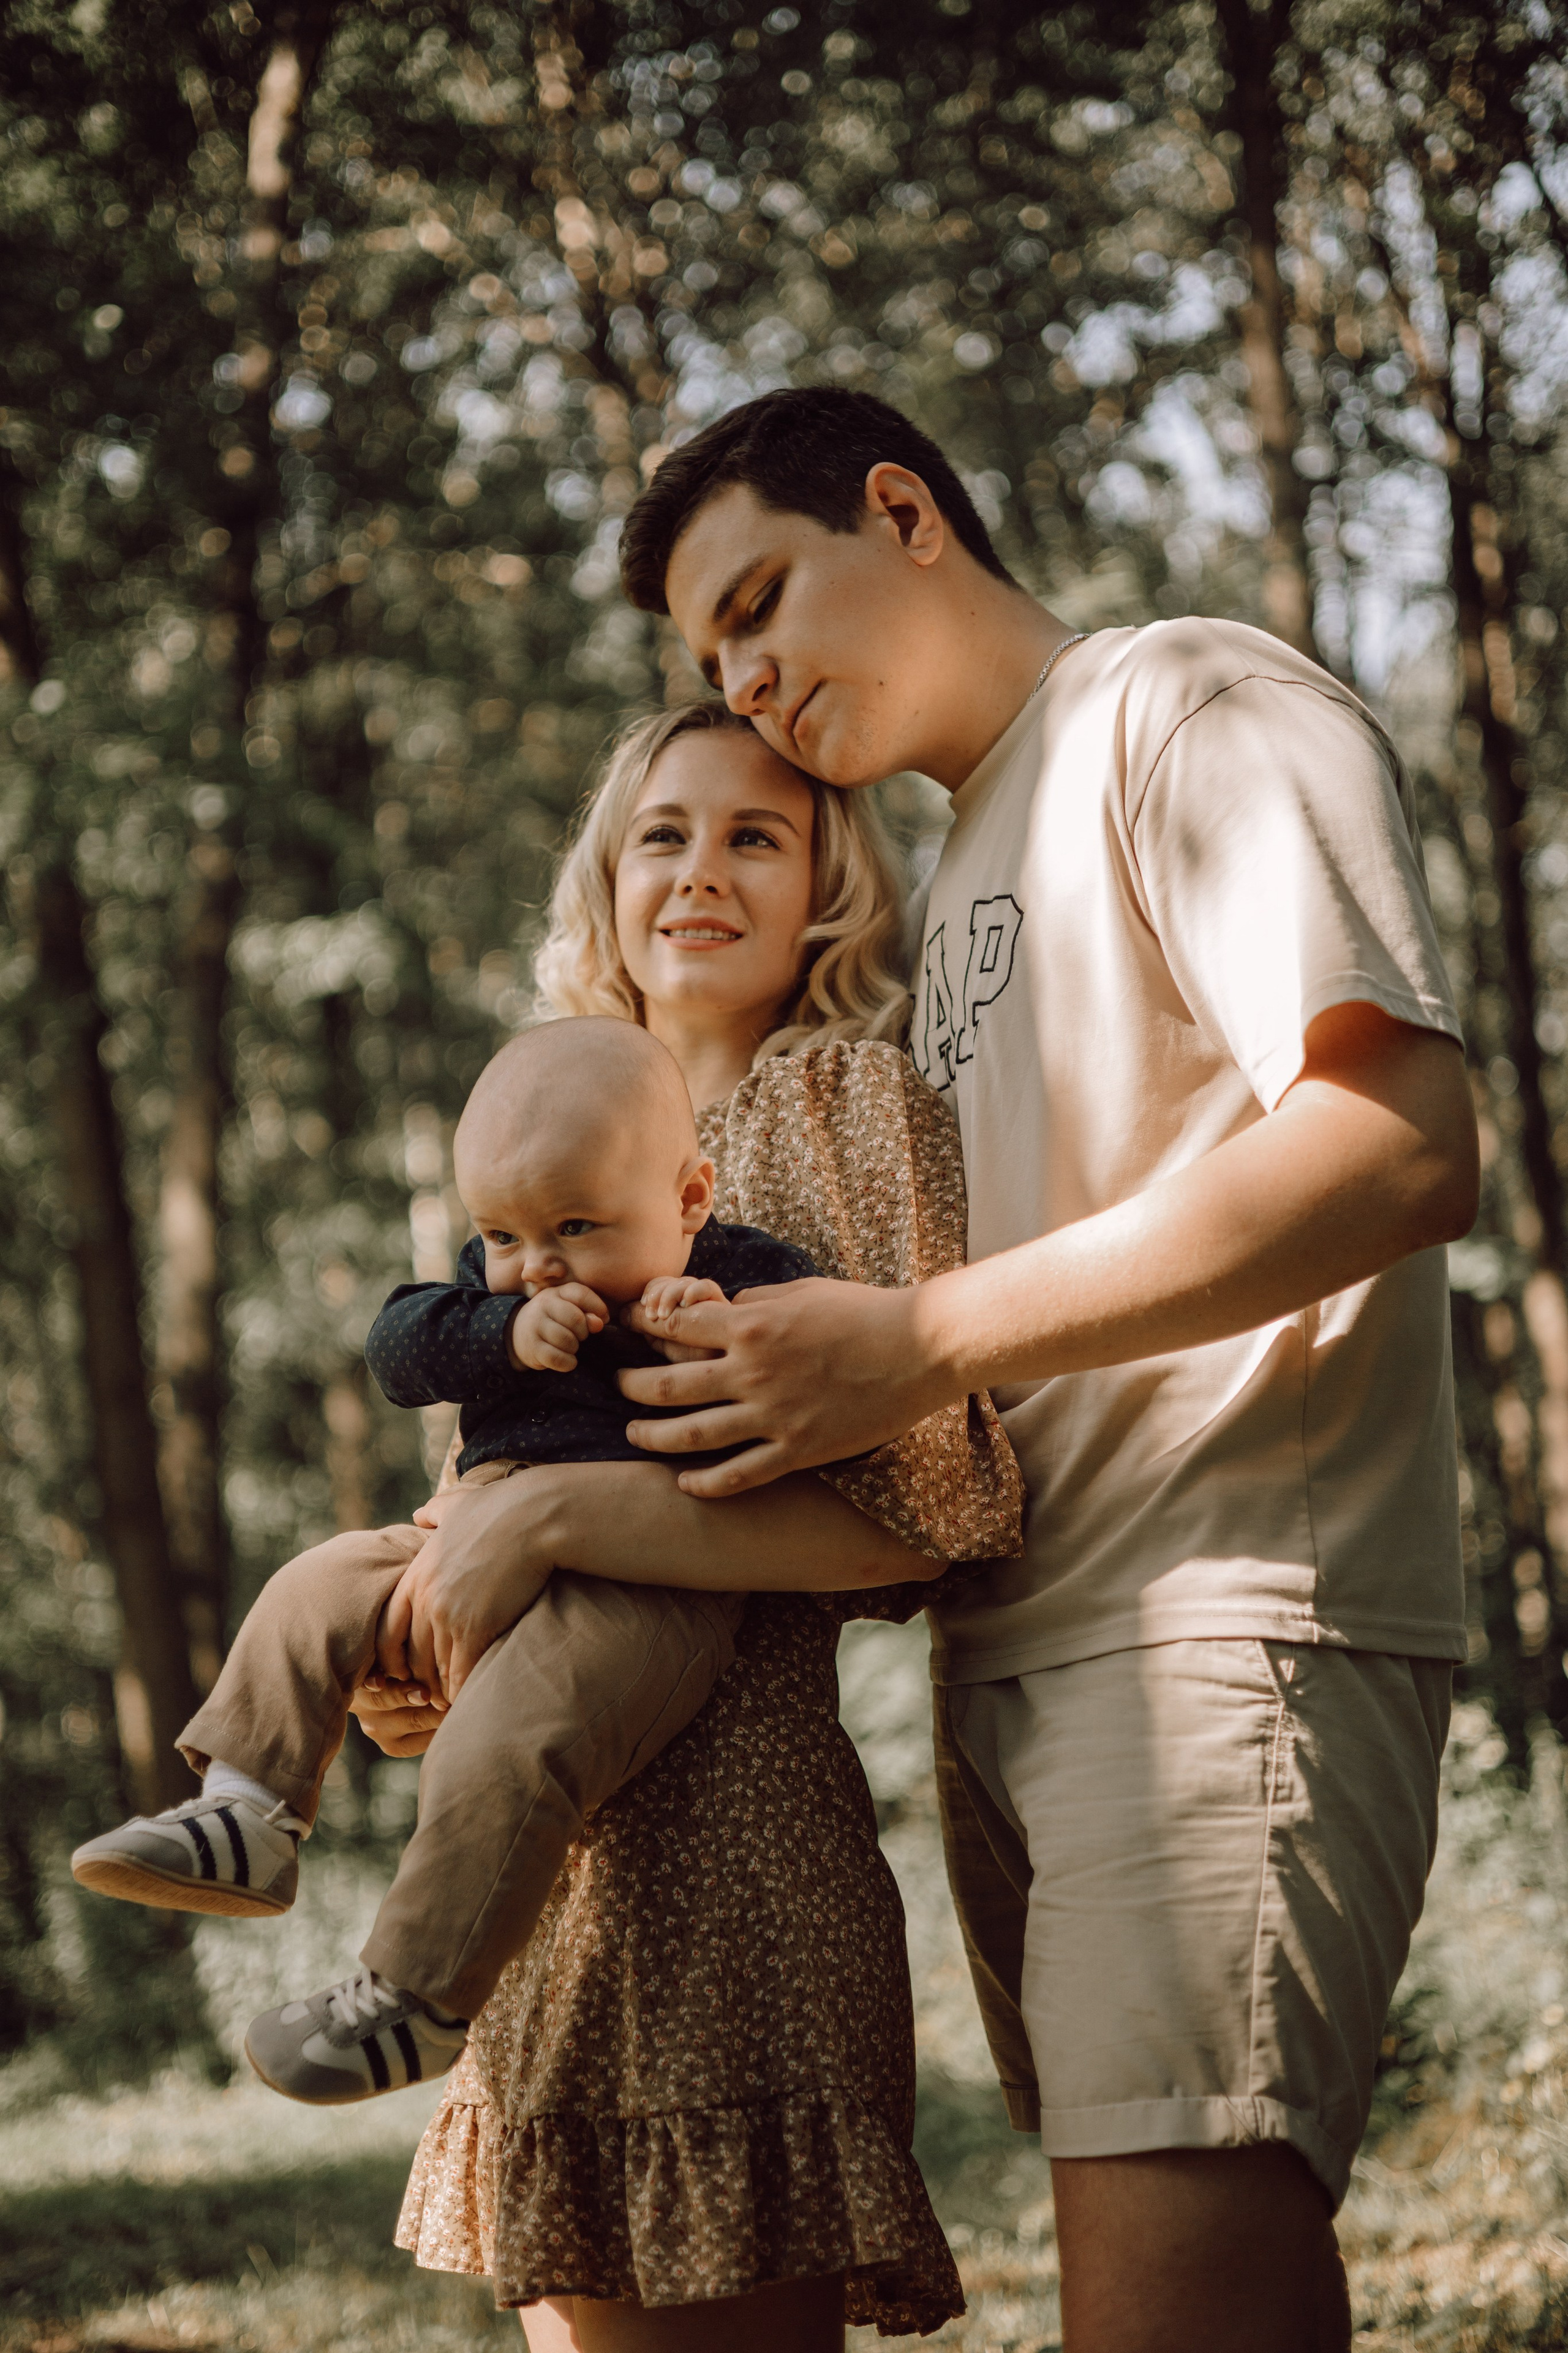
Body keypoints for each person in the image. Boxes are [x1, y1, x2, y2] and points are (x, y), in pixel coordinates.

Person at [410, 389, 1480, 2353]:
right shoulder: (968, 858)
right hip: (1022, 1661)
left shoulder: (1185, 705)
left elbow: (1402, 1143)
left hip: (1219, 1624)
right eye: (708, 656)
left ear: (902, 510)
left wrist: (908, 1347)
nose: (747, 674)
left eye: (761, 599)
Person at [353, 697, 1025, 2351]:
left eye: (757, 835)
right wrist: (424, 1621)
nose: (703, 870)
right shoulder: (532, 1124)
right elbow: (491, 1484)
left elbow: (933, 1513)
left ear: (827, 886)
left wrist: (563, 1519)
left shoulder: (848, 1108)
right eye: (665, 831)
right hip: (540, 1878)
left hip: (742, 1864)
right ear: (608, 873)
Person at [69, 1017, 840, 2105]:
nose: (536, 1264)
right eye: (505, 1235)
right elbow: (397, 1346)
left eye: (576, 1226)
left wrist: (714, 1324)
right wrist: (500, 1334)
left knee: (506, 1735)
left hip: (645, 1583)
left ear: (689, 1201)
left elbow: (808, 1386)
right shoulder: (502, 1291)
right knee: (315, 1583)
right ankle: (249, 1807)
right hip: (465, 1530)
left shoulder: (744, 1270)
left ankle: (414, 1996)